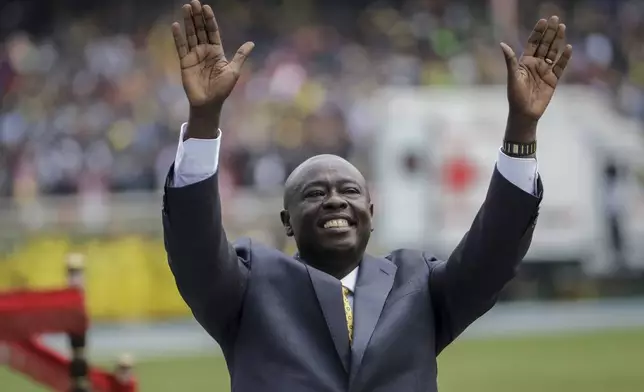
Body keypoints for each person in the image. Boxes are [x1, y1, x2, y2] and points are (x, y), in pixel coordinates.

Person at [162, 1, 573, 391]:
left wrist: (522, 127)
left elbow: (494, 252)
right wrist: (203, 119)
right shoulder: (248, 286)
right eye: (315, 193)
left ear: (371, 213)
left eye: (349, 190)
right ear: (287, 221)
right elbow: (194, 247)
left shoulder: (419, 285)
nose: (335, 200)